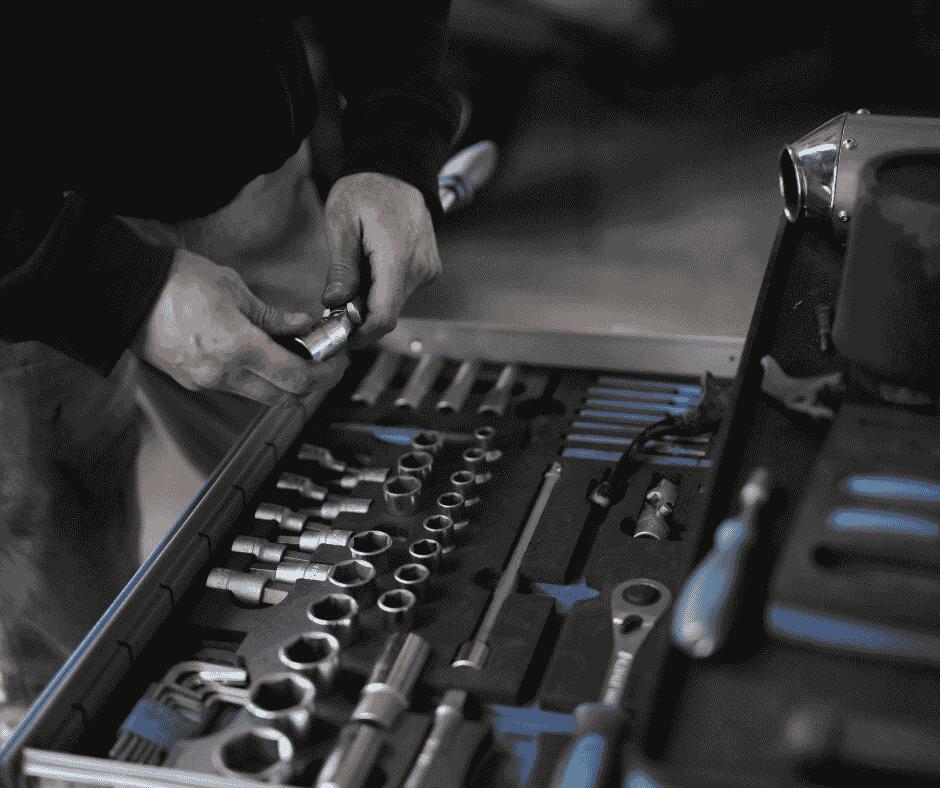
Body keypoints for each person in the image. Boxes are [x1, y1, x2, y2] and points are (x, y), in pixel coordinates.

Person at [0, 6, 459, 729]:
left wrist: (396, 138)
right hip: (18, 264)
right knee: (66, 634)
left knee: (364, 502)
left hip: (247, 167)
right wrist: (112, 286)